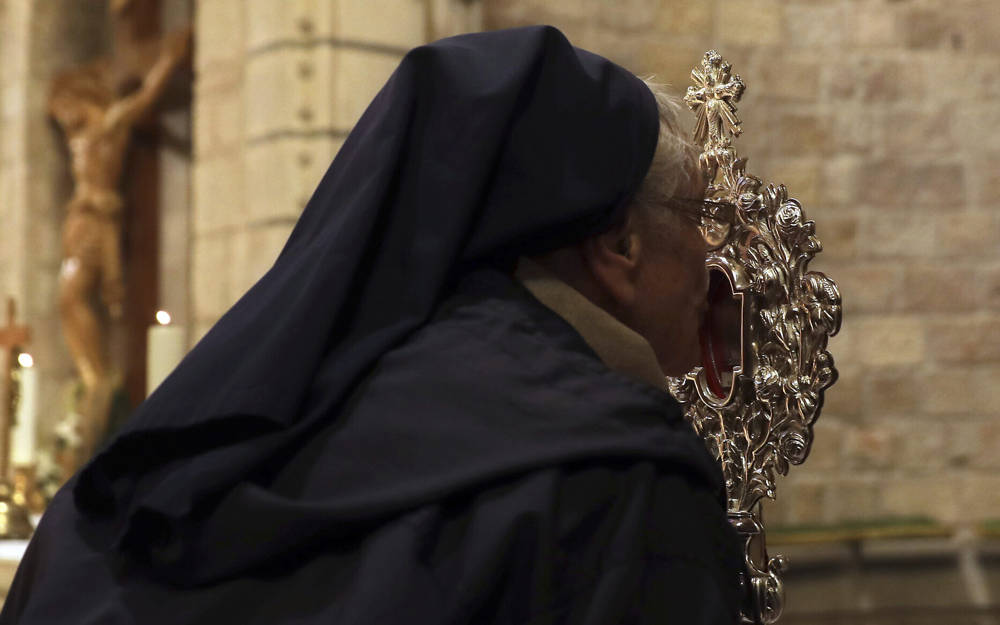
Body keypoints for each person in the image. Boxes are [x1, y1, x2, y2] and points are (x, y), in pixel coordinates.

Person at [2, 26, 742, 624]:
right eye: (700, 218)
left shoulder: (142, 489)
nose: (714, 254)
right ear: (620, 246)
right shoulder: (621, 474)